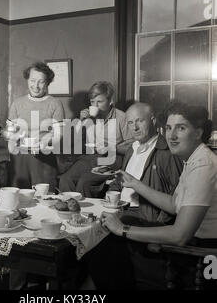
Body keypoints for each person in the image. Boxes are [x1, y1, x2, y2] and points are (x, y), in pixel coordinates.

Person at [90, 102, 217, 289]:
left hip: (200, 251)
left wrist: (122, 229)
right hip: (189, 239)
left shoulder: (203, 166)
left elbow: (180, 235)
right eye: (168, 128)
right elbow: (174, 204)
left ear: (198, 133)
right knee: (106, 237)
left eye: (181, 128)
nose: (171, 136)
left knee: (103, 247)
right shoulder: (194, 158)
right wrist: (135, 184)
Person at [77, 102, 183, 225]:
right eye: (130, 123)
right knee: (82, 221)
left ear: (153, 120)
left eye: (139, 121)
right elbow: (121, 181)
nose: (135, 128)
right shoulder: (132, 148)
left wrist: (158, 226)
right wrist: (110, 197)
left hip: (143, 217)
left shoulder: (166, 152)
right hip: (120, 209)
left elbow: (177, 197)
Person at [0, 62, 65, 192]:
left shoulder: (55, 104)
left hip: (44, 159)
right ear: (27, 80)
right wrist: (1, 132)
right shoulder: (17, 104)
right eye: (32, 80)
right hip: (19, 159)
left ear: (47, 83)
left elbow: (59, 135)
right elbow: (11, 134)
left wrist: (43, 142)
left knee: (45, 200)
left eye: (41, 82)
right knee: (19, 199)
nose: (36, 86)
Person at [59, 81, 133, 192]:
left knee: (85, 182)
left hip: (113, 158)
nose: (95, 106)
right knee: (65, 179)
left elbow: (132, 146)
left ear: (110, 101)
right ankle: (69, 207)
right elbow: (73, 141)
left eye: (99, 102)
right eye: (92, 102)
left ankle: (87, 209)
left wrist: (111, 147)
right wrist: (80, 121)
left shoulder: (122, 117)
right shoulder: (89, 117)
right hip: (90, 157)